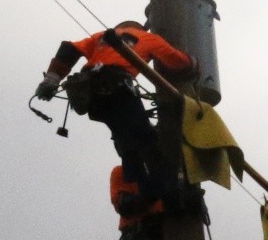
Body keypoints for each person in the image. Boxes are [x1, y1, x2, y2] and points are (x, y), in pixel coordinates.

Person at [35, 22, 193, 202]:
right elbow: (178, 61)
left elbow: (69, 48)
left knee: (125, 138)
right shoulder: (149, 38)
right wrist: (193, 64)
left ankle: (145, 188)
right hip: (117, 86)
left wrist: (52, 79)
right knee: (146, 138)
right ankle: (168, 189)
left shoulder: (101, 36)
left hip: (89, 93)